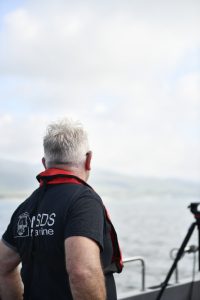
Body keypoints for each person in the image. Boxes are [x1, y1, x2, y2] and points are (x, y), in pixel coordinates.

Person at [0, 118, 123, 300]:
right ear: (88, 159)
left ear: (45, 163)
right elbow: (82, 272)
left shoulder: (25, 208)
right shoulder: (83, 201)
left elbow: (3, 266)